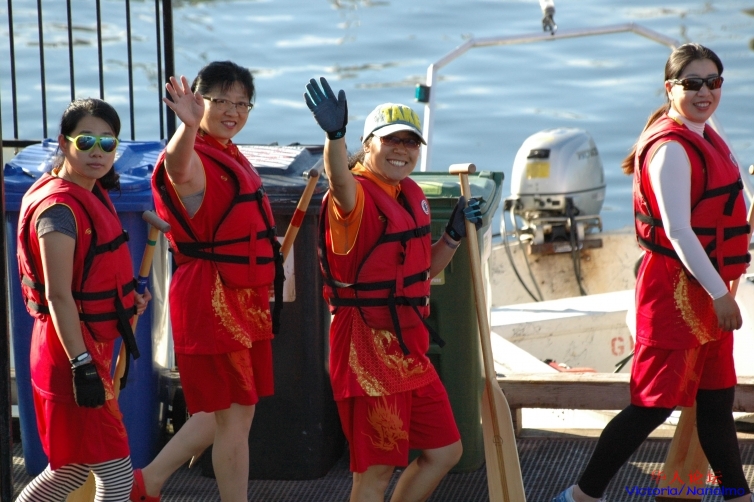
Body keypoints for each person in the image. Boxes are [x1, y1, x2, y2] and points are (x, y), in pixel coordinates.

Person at [552, 43, 752, 502]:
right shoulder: (671, 149)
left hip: (710, 289)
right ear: (670, 88)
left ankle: (738, 496)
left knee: (716, 401)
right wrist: (721, 295)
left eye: (714, 82)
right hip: (678, 294)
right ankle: (581, 495)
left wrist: (719, 290)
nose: (705, 92)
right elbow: (679, 231)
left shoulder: (704, 133)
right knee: (652, 405)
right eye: (692, 83)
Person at [303, 77, 480, 502]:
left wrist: (452, 236)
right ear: (368, 146)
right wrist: (335, 136)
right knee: (375, 473)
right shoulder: (354, 197)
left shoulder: (406, 194)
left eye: (410, 142)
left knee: (445, 451)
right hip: (366, 348)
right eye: (391, 141)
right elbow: (337, 179)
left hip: (408, 348)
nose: (402, 149)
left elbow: (419, 274)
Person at [130, 61, 282, 502]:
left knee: (225, 409)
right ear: (199, 102)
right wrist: (188, 127)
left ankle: (148, 482)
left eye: (242, 103)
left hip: (244, 297)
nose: (232, 111)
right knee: (236, 416)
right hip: (212, 298)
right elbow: (179, 171)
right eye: (221, 101)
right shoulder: (193, 154)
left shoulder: (229, 152)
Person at [15, 98, 151, 502]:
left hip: (85, 349)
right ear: (64, 142)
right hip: (70, 356)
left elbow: (91, 275)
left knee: (69, 471)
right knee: (118, 477)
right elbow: (58, 294)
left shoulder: (89, 192)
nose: (98, 152)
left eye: (108, 143)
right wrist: (82, 365)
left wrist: (125, 300)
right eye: (86, 141)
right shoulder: (58, 210)